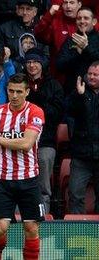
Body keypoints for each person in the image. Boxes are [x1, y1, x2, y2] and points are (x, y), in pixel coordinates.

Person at [0, 73, 45, 260]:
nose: (15, 95)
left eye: (19, 91)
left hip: (29, 179)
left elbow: (26, 143)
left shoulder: (35, 112)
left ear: (27, 92)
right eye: (11, 91)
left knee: (31, 228)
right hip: (3, 180)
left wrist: (0, 139)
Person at [24, 48, 65, 214]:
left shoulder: (53, 85)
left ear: (42, 63)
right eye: (28, 62)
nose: (32, 65)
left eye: (35, 62)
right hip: (21, 142)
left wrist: (37, 103)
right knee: (20, 183)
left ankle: (44, 216)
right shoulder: (20, 83)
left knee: (43, 186)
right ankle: (20, 217)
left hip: (45, 142)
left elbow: (57, 113)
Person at [66, 62, 99, 214]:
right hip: (81, 155)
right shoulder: (78, 92)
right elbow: (69, 112)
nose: (91, 77)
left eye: (95, 75)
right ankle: (76, 232)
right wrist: (81, 96)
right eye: (90, 74)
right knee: (75, 194)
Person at [55, 7, 99, 94]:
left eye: (86, 18)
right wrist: (77, 54)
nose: (82, 21)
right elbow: (59, 66)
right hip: (72, 92)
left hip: (95, 94)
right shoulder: (70, 41)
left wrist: (86, 48)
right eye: (79, 18)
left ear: (94, 22)